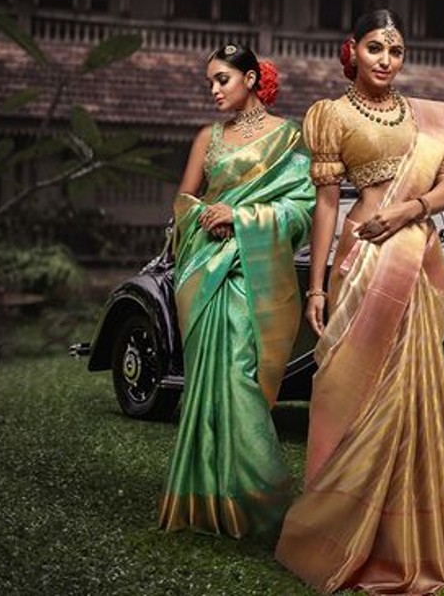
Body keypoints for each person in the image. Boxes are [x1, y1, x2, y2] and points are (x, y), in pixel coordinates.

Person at [275, 9, 444, 594]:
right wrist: (317, 285)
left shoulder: (422, 119)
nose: (386, 60)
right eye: (376, 47)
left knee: (412, 389)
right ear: (354, 50)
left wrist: (407, 210)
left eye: (396, 51)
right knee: (350, 384)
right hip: (361, 257)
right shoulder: (330, 115)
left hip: (414, 254)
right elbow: (326, 204)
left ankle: (405, 538)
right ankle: (340, 526)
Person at [157, 43, 315, 538]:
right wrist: (204, 215)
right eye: (210, 82)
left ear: (251, 78)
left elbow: (303, 207)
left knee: (240, 378)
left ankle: (260, 502)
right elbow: (183, 204)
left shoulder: (288, 139)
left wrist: (242, 216)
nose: (214, 90)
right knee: (206, 380)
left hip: (252, 273)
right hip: (204, 271)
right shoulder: (208, 138)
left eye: (222, 79)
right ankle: (203, 499)